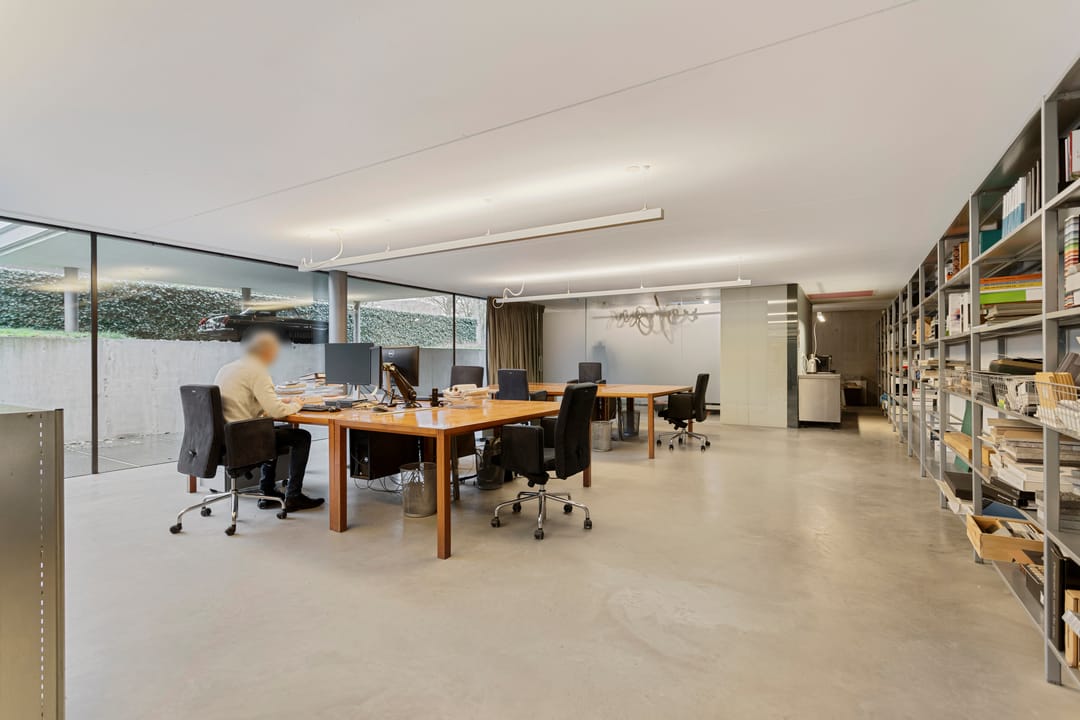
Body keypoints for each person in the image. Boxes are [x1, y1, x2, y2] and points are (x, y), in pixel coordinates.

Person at [214, 331, 324, 512]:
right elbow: (276, 411)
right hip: (245, 439)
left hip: (227, 438)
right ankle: (294, 496)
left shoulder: (227, 368)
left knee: (268, 428)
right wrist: (297, 403)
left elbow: (246, 401)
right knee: (301, 437)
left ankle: (267, 491)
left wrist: (279, 401)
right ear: (266, 352)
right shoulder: (257, 371)